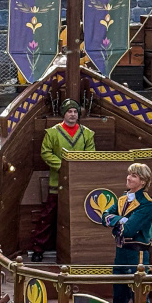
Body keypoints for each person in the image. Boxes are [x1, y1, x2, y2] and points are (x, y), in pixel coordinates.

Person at [36, 99, 95, 261]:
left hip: (79, 184)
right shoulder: (52, 133)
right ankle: (38, 249)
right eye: (69, 111)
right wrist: (64, 166)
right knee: (48, 217)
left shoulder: (87, 134)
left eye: (75, 112)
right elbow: (46, 153)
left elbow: (91, 155)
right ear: (64, 114)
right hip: (57, 184)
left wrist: (78, 168)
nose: (73, 114)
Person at [100, 163, 152, 303]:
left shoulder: (146, 204)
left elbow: (129, 230)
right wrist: (122, 220)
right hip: (120, 252)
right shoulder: (122, 199)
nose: (128, 178)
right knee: (118, 295)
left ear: (143, 181)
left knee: (139, 296)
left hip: (137, 255)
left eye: (134, 176)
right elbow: (104, 217)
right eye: (129, 174)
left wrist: (116, 222)